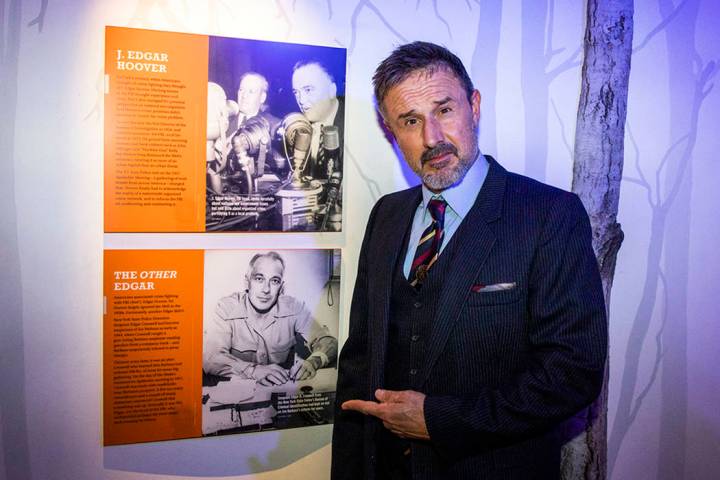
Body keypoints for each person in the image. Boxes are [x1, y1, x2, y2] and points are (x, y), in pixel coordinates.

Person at [331, 42, 607, 479]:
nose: (432, 139)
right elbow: (358, 366)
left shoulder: (548, 215)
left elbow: (572, 372)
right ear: (390, 132)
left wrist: (440, 420)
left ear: (473, 106)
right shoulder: (386, 214)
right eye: (410, 121)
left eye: (444, 110)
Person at [203, 251, 338, 386]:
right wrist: (253, 371)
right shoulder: (226, 307)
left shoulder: (294, 307)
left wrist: (314, 361)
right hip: (234, 395)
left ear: (281, 287)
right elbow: (211, 358)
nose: (266, 289)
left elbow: (329, 342)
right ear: (247, 282)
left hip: (277, 395)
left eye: (274, 281)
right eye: (259, 279)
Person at [225, 72, 283, 192]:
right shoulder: (222, 121)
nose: (244, 95)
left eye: (251, 91)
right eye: (241, 90)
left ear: (262, 97)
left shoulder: (273, 126)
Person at [291, 60, 345, 180]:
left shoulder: (353, 125)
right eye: (296, 92)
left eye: (308, 90)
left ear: (332, 91)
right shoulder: (297, 129)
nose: (301, 100)